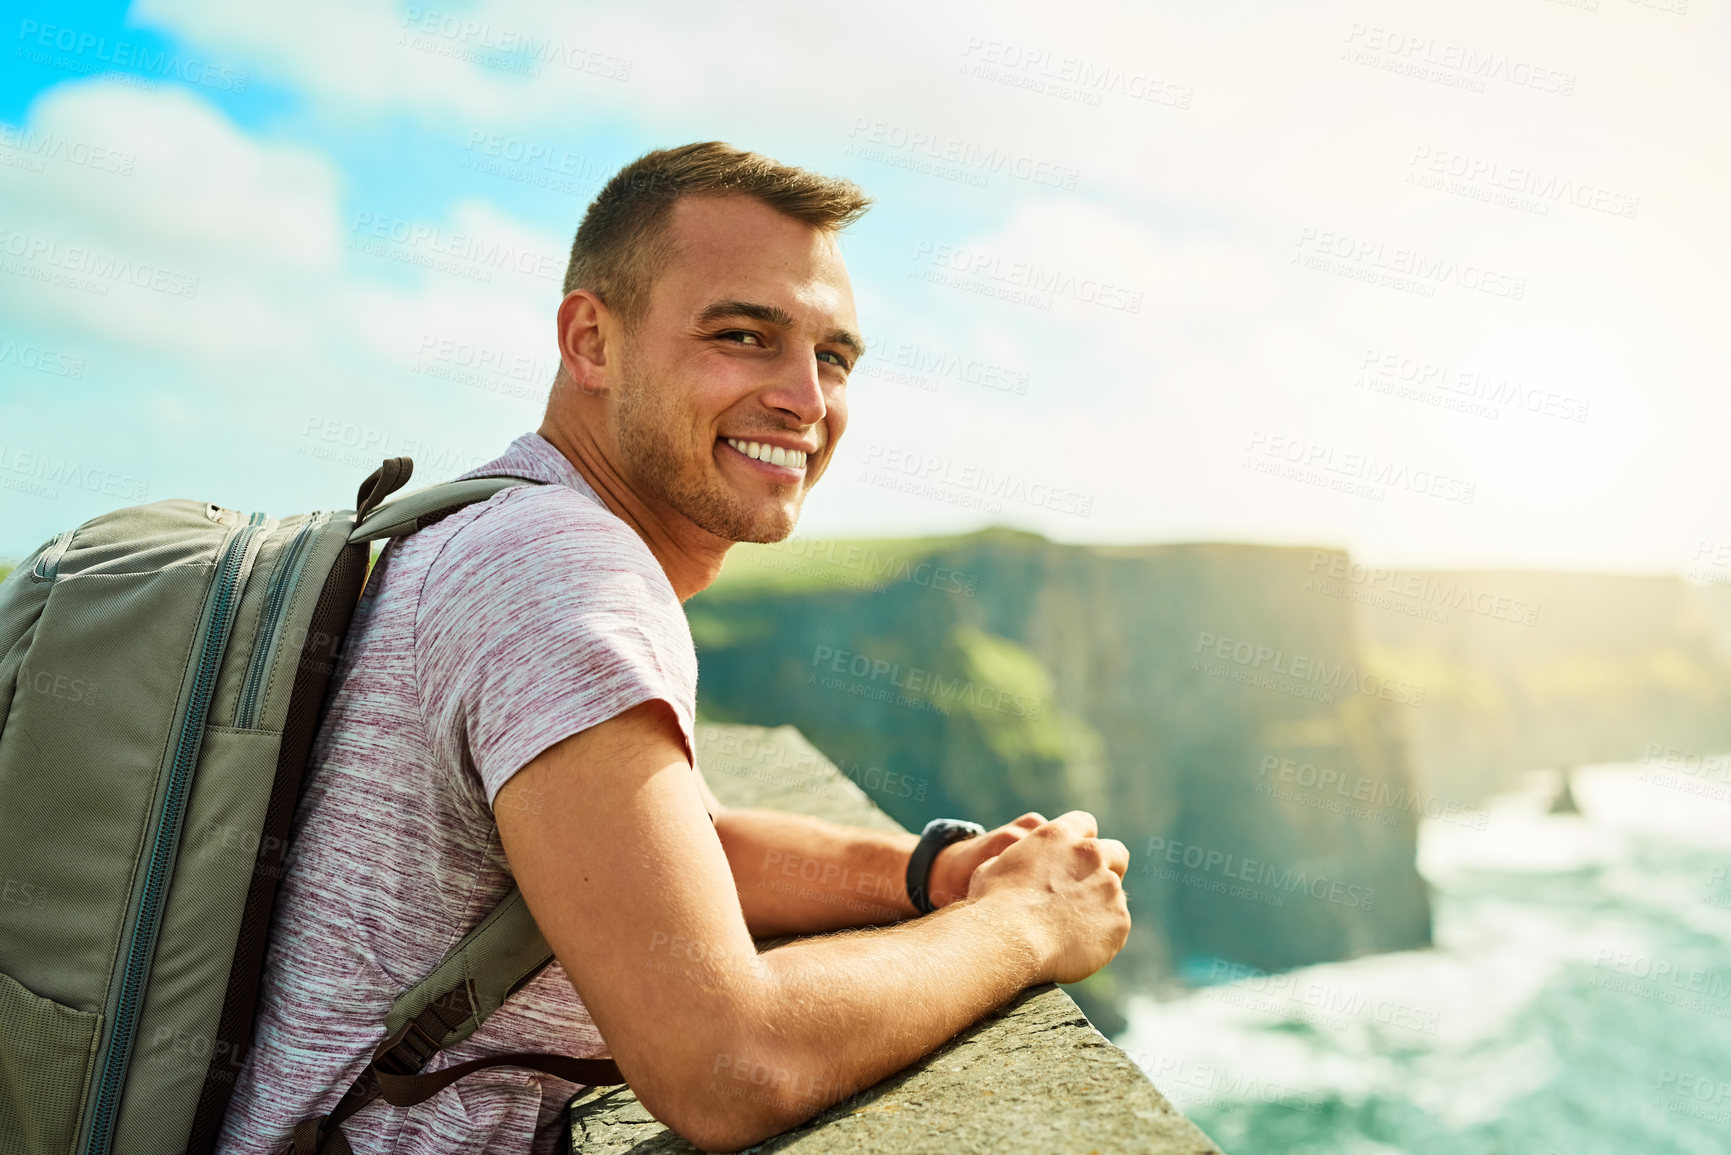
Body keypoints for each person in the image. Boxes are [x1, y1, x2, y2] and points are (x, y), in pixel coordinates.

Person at [217, 141, 1130, 1155]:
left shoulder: (491, 522)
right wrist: (1024, 925)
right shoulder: (563, 575)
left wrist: (938, 874)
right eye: (744, 335)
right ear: (591, 342)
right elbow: (728, 1064)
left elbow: (678, 853)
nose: (807, 400)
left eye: (833, 356)